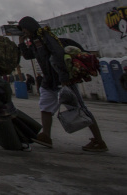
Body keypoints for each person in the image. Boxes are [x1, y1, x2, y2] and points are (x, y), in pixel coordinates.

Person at [17, 16, 107, 152]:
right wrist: (21, 43)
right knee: (45, 106)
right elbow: (30, 56)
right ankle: (46, 136)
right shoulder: (35, 40)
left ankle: (99, 141)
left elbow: (58, 54)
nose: (24, 32)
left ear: (29, 26)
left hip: (61, 79)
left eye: (24, 29)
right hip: (49, 80)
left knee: (80, 108)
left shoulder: (45, 36)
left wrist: (64, 77)